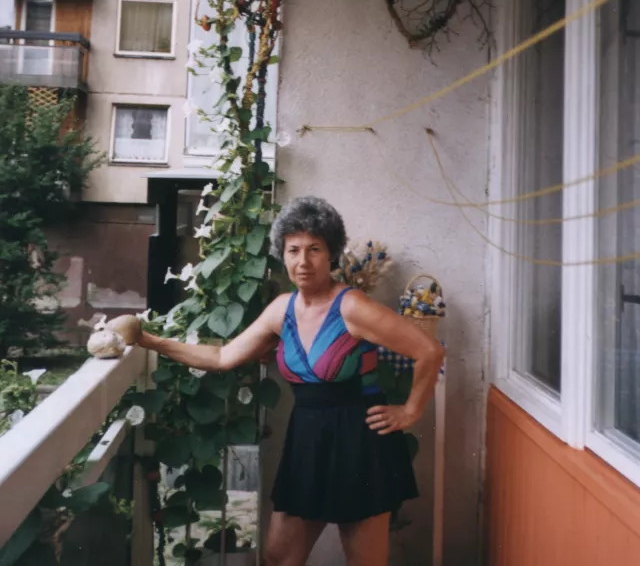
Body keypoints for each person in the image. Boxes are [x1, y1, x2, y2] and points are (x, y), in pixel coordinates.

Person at [137, 196, 444, 566]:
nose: (303, 261)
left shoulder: (352, 307)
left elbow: (429, 351)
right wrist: (148, 340)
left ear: (331, 254)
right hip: (307, 442)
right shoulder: (281, 309)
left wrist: (410, 411)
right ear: (282, 255)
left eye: (314, 249)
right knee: (278, 558)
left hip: (359, 444)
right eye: (293, 249)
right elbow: (221, 357)